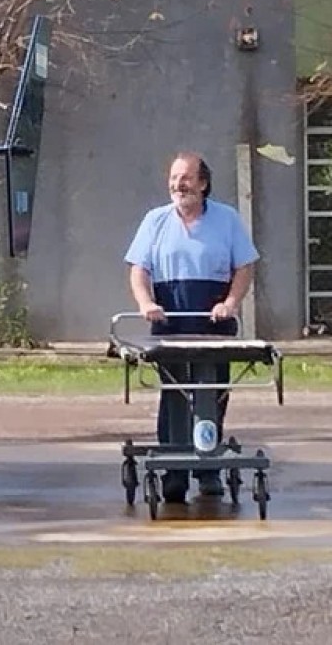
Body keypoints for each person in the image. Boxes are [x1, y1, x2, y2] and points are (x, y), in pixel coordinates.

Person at [124, 151, 259, 503]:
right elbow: (139, 269)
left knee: (211, 393)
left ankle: (208, 468)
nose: (177, 185)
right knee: (175, 395)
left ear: (203, 183)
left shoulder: (227, 219)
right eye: (173, 178)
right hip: (171, 323)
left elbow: (244, 267)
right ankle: (175, 472)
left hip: (213, 323)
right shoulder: (155, 220)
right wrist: (146, 304)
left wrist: (230, 303)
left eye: (185, 178)